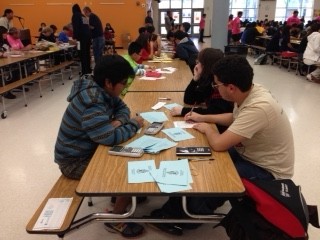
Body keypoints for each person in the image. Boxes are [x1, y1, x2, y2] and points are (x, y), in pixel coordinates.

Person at [151, 55, 295, 236]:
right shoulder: (250, 91)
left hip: (267, 170)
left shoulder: (259, 107)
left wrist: (207, 128)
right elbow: (234, 117)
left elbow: (218, 143)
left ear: (231, 88)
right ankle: (178, 205)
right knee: (202, 161)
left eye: (216, 84)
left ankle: (185, 218)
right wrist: (202, 117)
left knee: (217, 176)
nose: (215, 88)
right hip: (251, 155)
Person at [54, 55, 145, 238]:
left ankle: (120, 197)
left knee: (130, 156)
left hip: (90, 149)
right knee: (127, 170)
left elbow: (123, 109)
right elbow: (110, 138)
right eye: (123, 83)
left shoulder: (103, 90)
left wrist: (118, 121)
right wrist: (134, 124)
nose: (124, 87)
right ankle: (116, 218)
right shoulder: (92, 101)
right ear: (109, 82)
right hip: (74, 161)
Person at [170, 48, 233, 133]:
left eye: (199, 62)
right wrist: (195, 79)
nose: (197, 64)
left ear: (206, 66)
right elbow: (189, 99)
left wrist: (183, 111)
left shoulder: (219, 84)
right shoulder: (208, 79)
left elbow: (215, 112)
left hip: (222, 129)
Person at [71, 4, 91, 75]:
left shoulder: (75, 16)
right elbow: (87, 27)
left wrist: (75, 37)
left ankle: (84, 71)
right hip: (88, 37)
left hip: (81, 38)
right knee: (87, 53)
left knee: (82, 54)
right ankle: (88, 69)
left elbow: (76, 27)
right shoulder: (83, 16)